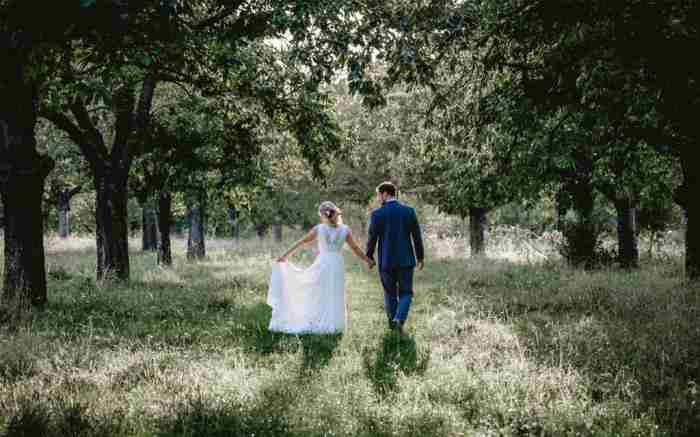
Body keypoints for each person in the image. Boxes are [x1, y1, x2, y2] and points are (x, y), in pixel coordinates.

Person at [266, 201, 374, 334]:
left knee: (320, 292)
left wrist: (285, 255)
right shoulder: (345, 230)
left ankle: (319, 320)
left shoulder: (320, 229)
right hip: (337, 264)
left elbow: (302, 241)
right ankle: (334, 324)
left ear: (323, 215)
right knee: (335, 292)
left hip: (323, 263)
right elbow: (356, 248)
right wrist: (368, 260)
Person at [366, 182, 424, 333]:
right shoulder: (409, 211)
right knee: (406, 293)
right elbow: (417, 237)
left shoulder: (377, 214)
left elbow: (372, 238)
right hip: (406, 260)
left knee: (390, 293)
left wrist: (369, 257)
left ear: (385, 193)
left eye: (379, 194)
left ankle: (393, 327)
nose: (378, 198)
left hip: (386, 261)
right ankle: (399, 319)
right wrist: (420, 257)